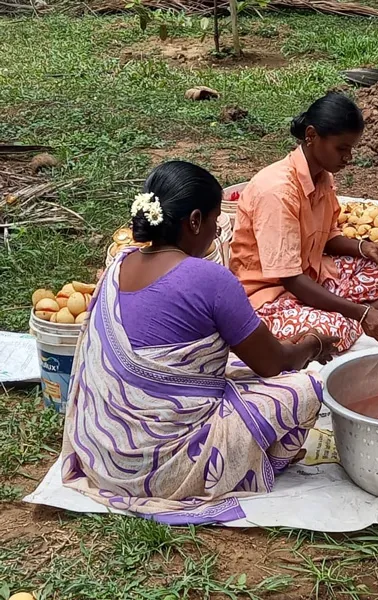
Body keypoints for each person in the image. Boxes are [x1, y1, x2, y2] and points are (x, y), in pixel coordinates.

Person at [61, 161, 339, 524]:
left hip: (104, 455)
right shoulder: (210, 278)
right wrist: (314, 344)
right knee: (307, 387)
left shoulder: (118, 266)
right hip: (167, 469)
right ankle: (246, 465)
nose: (216, 230)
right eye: (213, 221)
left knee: (233, 369)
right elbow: (274, 364)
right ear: (194, 221)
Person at [230, 93, 378, 351]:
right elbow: (290, 279)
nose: (348, 157)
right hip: (269, 297)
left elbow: (329, 236)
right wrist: (359, 313)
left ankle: (348, 310)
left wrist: (365, 249)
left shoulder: (323, 179)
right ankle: (360, 312)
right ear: (312, 136)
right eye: (342, 148)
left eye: (351, 149)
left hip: (312, 275)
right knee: (329, 332)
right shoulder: (278, 192)